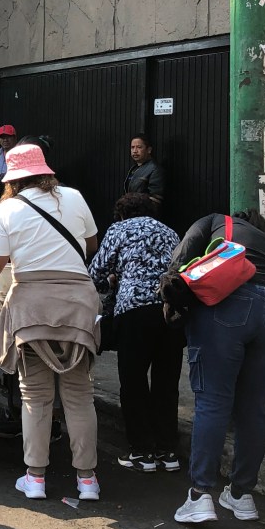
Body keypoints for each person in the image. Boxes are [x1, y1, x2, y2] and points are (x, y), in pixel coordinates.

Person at [0, 143, 101, 502]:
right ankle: (88, 481)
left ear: (12, 179)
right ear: (45, 172)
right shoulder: (75, 197)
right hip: (79, 302)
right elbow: (90, 245)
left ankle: (36, 478)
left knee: (36, 396)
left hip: (33, 305)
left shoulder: (8, 208)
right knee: (79, 395)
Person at [166, 209, 265, 524]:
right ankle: (241, 495)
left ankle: (199, 495)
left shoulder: (214, 222)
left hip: (230, 303)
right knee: (253, 407)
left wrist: (171, 299)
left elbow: (179, 258)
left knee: (213, 401)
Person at [87, 192, 182, 472]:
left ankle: (142, 452)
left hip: (134, 312)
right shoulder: (170, 232)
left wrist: (114, 280)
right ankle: (168, 451)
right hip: (170, 311)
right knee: (167, 381)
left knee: (134, 380)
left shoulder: (119, 229)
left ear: (122, 214)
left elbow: (96, 273)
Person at [123, 133, 165, 206]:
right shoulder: (134, 168)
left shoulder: (155, 169)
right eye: (132, 147)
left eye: (139, 147)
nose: (135, 151)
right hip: (131, 212)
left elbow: (155, 201)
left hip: (144, 214)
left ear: (149, 150)